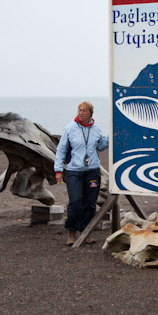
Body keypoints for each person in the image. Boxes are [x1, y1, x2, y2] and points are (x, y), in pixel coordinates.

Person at [54, 101, 109, 246]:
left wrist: (110, 137)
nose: (81, 113)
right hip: (74, 171)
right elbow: (61, 150)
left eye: (84, 111)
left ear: (91, 113)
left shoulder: (96, 129)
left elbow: (101, 146)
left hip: (92, 171)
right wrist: (58, 169)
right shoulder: (70, 128)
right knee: (75, 201)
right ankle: (71, 232)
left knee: (90, 203)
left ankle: (86, 232)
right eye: (79, 110)